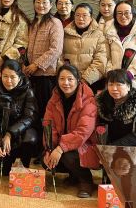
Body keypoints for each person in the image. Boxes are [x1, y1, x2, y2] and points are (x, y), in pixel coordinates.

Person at [42, 65, 98, 197]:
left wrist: (60, 148)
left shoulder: (88, 100)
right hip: (66, 144)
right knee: (45, 159)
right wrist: (49, 149)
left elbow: (83, 132)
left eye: (70, 79)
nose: (65, 83)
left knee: (68, 156)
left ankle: (86, 181)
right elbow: (48, 125)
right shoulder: (54, 98)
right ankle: (74, 175)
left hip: (86, 144)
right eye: (62, 79)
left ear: (78, 80)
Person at [0, 60, 39, 175]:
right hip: (3, 134)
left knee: (30, 139)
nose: (8, 80)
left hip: (22, 133)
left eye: (12, 77)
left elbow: (29, 118)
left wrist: (9, 134)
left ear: (19, 77)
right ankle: (7, 160)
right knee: (4, 170)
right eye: (5, 76)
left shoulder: (28, 91)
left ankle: (24, 162)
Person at [104, 1, 136, 101]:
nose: (123, 16)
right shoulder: (110, 33)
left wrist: (130, 74)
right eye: (119, 13)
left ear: (133, 14)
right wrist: (111, 74)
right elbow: (108, 58)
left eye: (127, 13)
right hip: (116, 87)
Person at [96, 69, 136, 147]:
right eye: (110, 84)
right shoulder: (103, 104)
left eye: (119, 84)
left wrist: (111, 147)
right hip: (119, 148)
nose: (114, 88)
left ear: (128, 87)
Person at [61, 2, 107, 88]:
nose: (80, 18)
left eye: (84, 15)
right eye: (77, 15)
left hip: (92, 82)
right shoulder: (65, 33)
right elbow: (59, 57)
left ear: (91, 17)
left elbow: (100, 61)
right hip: (68, 82)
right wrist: (68, 78)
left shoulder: (99, 35)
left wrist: (85, 80)